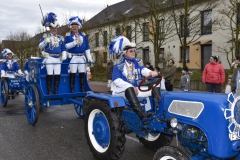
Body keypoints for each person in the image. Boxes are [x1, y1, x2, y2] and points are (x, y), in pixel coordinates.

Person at [109, 36, 159, 123]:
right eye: (131, 51)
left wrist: (151, 73)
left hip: (136, 88)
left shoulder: (136, 62)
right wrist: (130, 86)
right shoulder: (118, 64)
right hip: (121, 90)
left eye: (134, 51)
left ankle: (157, 113)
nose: (133, 52)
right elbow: (116, 80)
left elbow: (143, 70)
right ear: (125, 53)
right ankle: (142, 115)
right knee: (129, 89)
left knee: (155, 86)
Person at [39, 12, 67, 94]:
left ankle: (56, 90)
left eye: (55, 29)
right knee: (50, 74)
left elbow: (63, 48)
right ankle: (49, 90)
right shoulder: (46, 36)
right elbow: (40, 46)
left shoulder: (60, 38)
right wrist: (45, 42)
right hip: (49, 58)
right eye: (52, 29)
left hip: (58, 58)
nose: (54, 30)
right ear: (50, 29)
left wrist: (64, 55)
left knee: (58, 74)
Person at [65, 16, 93, 92]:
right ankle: (72, 89)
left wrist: (89, 57)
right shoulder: (68, 36)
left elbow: (87, 48)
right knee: (73, 72)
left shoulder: (83, 36)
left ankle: (82, 88)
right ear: (71, 27)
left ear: (78, 27)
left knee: (82, 73)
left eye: (75, 26)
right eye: (73, 26)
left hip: (82, 57)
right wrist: (74, 43)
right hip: (73, 56)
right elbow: (66, 46)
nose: (74, 28)